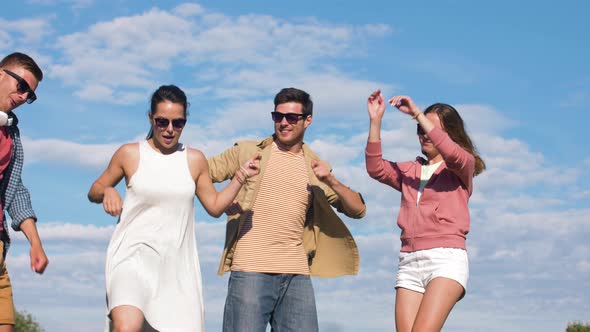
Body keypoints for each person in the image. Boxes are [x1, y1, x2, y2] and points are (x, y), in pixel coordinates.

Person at [88, 85, 260, 332]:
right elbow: (94, 189)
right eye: (162, 122)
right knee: (127, 327)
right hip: (131, 257)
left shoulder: (194, 160)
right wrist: (107, 190)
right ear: (151, 119)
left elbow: (214, 206)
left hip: (176, 267)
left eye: (177, 123)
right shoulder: (129, 154)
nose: (169, 129)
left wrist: (241, 175)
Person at [208, 87, 367, 332]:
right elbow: (200, 171)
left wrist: (332, 181)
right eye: (277, 116)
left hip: (296, 275)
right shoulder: (248, 152)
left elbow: (358, 210)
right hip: (250, 270)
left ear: (308, 120)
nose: (283, 123)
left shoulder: (314, 167)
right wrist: (222, 198)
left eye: (291, 118)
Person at [365, 90, 486, 332]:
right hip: (409, 261)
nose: (424, 133)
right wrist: (376, 120)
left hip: (446, 259)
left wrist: (418, 114)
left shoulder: (463, 166)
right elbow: (375, 168)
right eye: (420, 128)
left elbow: (451, 152)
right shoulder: (410, 171)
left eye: (430, 128)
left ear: (449, 133)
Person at [0, 52, 48, 332]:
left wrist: (35, 243)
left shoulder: (11, 135)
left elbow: (14, 189)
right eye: (22, 86)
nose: (23, 97)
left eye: (29, 95)